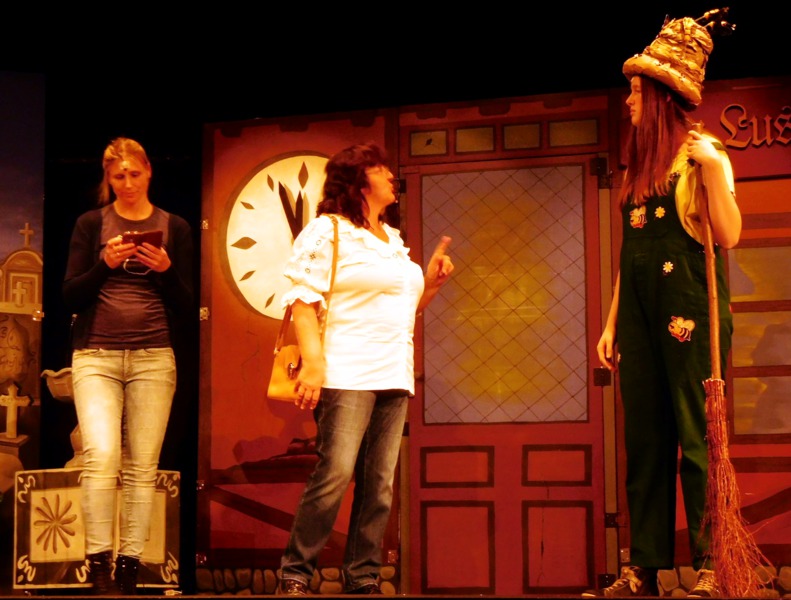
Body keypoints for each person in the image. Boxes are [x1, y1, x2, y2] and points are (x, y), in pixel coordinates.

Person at [586, 14, 740, 599]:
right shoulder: (641, 168)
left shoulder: (702, 155)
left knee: (697, 438)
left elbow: (729, 236)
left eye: (635, 92)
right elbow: (632, 255)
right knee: (646, 442)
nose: (628, 101)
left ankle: (710, 564)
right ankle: (644, 567)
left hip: (691, 315)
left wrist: (717, 170)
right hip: (639, 319)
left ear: (658, 97)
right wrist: (612, 323)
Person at [277, 142, 453, 596]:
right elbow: (302, 300)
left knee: (379, 485)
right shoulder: (328, 231)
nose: (391, 176)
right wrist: (313, 364)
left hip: (393, 372)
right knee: (335, 474)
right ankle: (296, 573)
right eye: (380, 168)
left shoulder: (391, 240)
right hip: (346, 372)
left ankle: (363, 576)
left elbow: (404, 309)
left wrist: (431, 283)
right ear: (357, 181)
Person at [63, 137, 194, 595]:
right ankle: (99, 565)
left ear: (149, 171)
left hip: (153, 357)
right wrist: (105, 263)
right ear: (108, 177)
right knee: (101, 456)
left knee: (142, 465)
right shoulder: (90, 223)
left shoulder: (174, 226)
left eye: (134, 174)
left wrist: (165, 269)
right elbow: (70, 295)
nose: (128, 183)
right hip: (96, 355)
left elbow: (187, 305)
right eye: (118, 176)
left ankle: (129, 567)